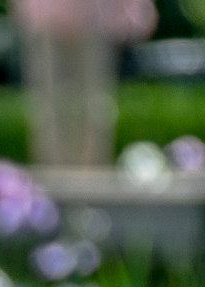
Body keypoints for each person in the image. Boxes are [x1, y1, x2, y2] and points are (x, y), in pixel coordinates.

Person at [16, 0, 155, 164]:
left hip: (93, 20)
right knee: (46, 103)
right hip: (48, 19)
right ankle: (52, 170)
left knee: (96, 102)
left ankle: (93, 170)